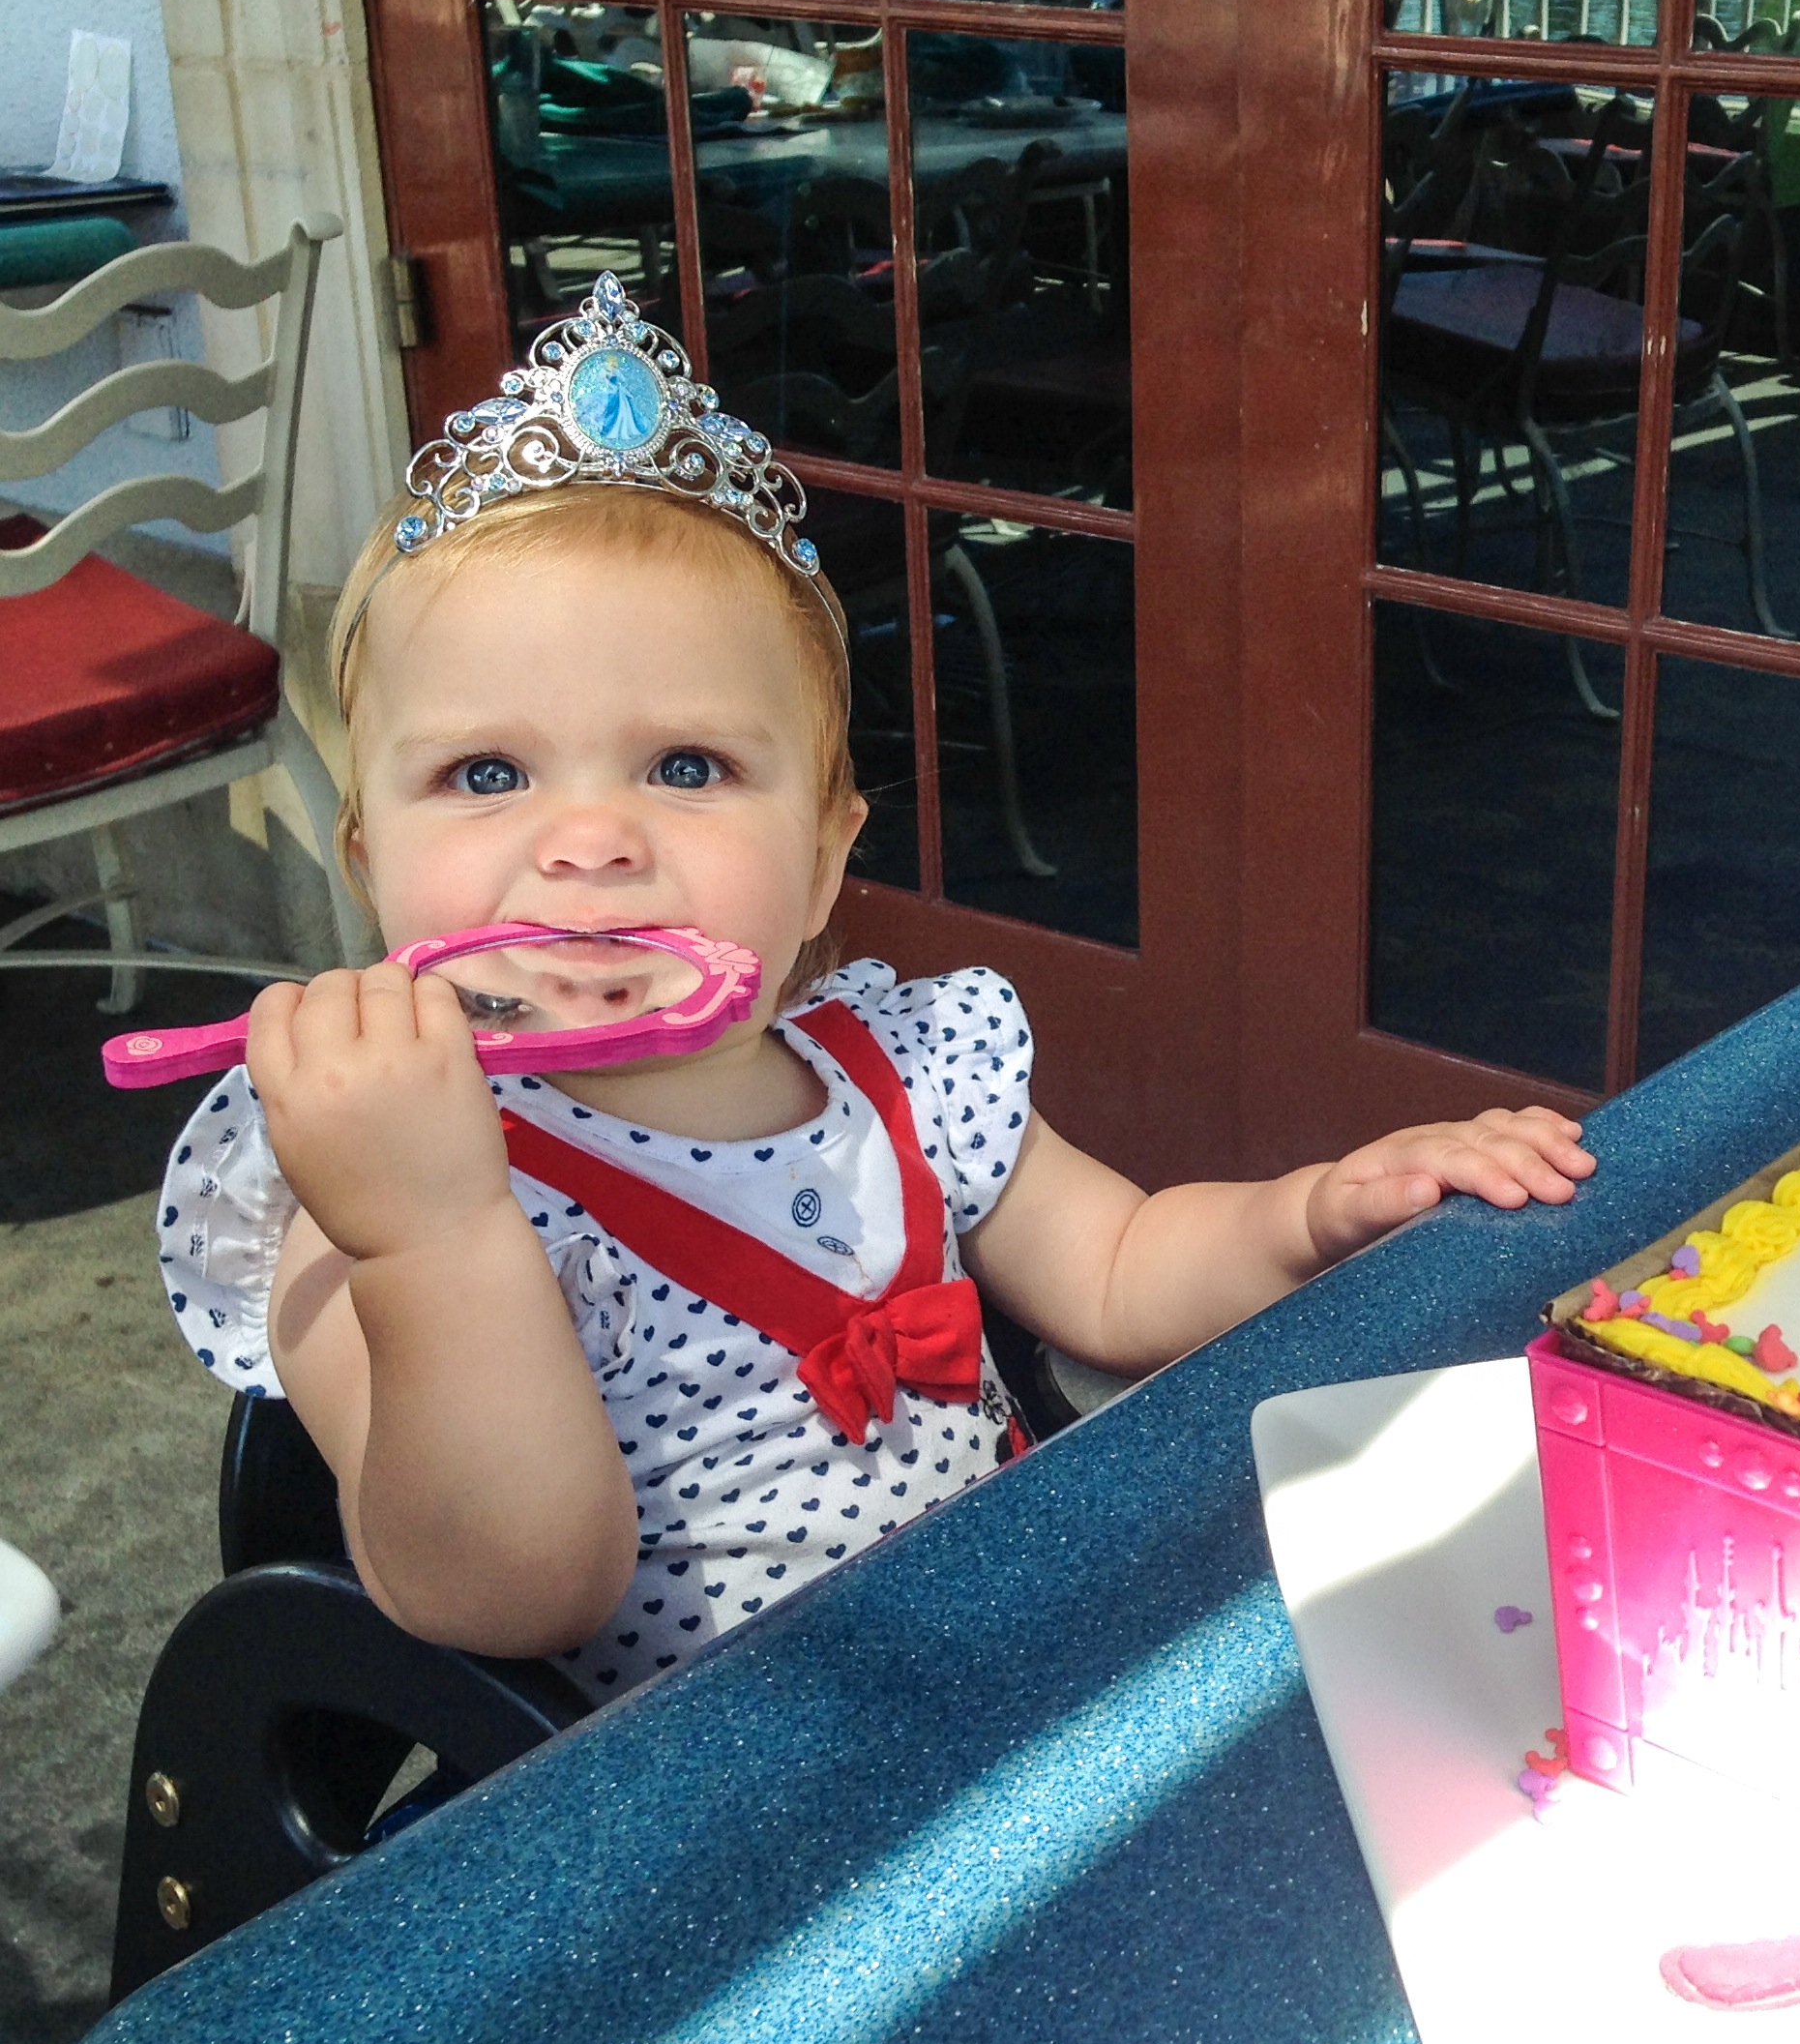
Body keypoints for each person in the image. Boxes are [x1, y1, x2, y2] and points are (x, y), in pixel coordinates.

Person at [156, 277, 1593, 1703]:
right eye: (486, 775)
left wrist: (1310, 1215)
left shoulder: (898, 1070)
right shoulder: (360, 1193)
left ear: (828, 858)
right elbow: (516, 1594)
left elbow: (1116, 1265)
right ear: (367, 856)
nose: (589, 839)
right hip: (713, 1807)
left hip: (1009, 1677)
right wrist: (433, 1236)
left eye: (687, 767)